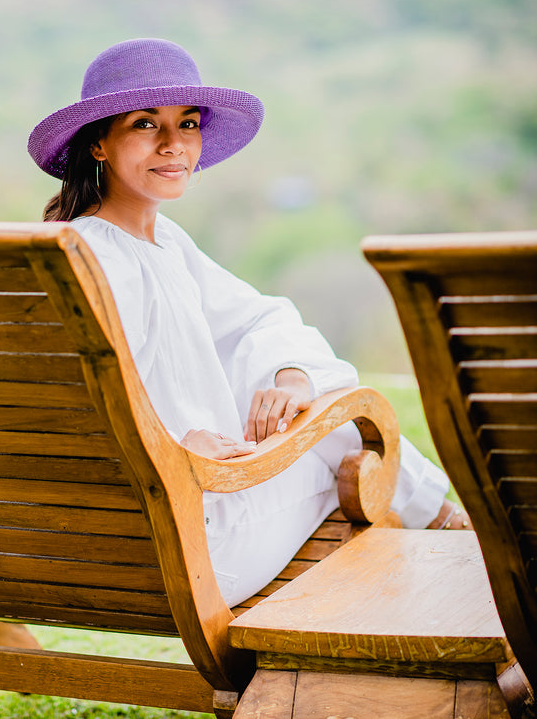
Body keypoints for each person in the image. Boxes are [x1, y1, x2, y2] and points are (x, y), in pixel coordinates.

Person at [27, 38, 470, 607]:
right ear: (98, 144)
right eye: (145, 124)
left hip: (107, 540)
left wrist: (290, 375)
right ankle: (459, 539)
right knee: (343, 437)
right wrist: (170, 441)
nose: (173, 144)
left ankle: (450, 529)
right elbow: (68, 395)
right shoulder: (100, 258)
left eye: (186, 124)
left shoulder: (150, 243)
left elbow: (259, 316)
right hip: (188, 543)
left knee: (301, 399)